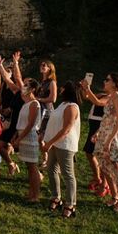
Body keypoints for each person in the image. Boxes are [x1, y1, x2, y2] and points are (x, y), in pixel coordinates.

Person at [81, 73, 118, 213]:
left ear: (115, 83)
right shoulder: (110, 97)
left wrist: (109, 140)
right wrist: (98, 132)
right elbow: (106, 117)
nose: (104, 81)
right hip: (104, 134)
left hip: (115, 137)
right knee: (105, 166)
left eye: (107, 80)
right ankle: (114, 195)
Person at [41, 81, 81, 218]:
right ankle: (56, 197)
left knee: (68, 175)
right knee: (51, 170)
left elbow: (66, 129)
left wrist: (50, 143)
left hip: (65, 145)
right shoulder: (62, 105)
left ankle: (70, 204)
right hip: (54, 144)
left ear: (67, 90)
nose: (60, 90)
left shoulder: (72, 107)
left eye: (62, 88)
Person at [12, 78, 42, 202]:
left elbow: (30, 125)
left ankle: (36, 195)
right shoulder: (26, 104)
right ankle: (31, 192)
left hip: (29, 137)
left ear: (32, 89)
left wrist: (19, 139)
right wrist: (16, 136)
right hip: (23, 135)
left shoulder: (35, 104)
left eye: (26, 85)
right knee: (29, 167)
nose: (23, 87)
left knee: (33, 166)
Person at [0, 53, 24, 176]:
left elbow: (17, 77)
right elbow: (7, 78)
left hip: (21, 126)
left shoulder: (23, 92)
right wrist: (0, 65)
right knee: (1, 146)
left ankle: (38, 174)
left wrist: (16, 63)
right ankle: (11, 164)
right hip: (13, 124)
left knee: (26, 156)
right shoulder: (15, 90)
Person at [83, 87, 107, 194]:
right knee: (89, 152)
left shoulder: (110, 98)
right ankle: (97, 177)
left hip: (100, 127)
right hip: (92, 128)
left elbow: (97, 102)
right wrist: (85, 88)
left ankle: (104, 185)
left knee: (102, 157)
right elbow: (86, 97)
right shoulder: (101, 94)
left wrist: (88, 89)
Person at [37, 60, 58, 168]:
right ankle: (46, 158)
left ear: (50, 68)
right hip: (40, 112)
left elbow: (53, 99)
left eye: (44, 65)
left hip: (48, 113)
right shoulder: (42, 82)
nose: (42, 66)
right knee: (40, 138)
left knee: (44, 138)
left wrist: (39, 99)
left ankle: (50, 160)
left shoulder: (51, 82)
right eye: (41, 64)